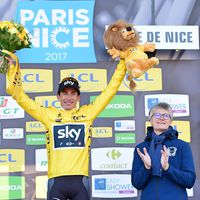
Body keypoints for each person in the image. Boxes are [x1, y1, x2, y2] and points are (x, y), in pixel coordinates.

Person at [5, 50, 126, 200]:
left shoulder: (88, 113)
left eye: (73, 93)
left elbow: (110, 90)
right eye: (65, 93)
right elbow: (20, 97)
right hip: (56, 181)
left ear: (78, 97)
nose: (69, 97)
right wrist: (11, 68)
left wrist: (122, 64)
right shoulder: (48, 115)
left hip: (80, 182)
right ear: (58, 96)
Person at [131, 102, 196, 200]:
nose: (162, 118)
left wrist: (168, 168)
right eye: (157, 115)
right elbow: (137, 184)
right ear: (150, 120)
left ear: (170, 121)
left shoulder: (182, 146)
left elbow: (189, 181)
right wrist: (147, 168)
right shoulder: (141, 149)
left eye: (166, 115)